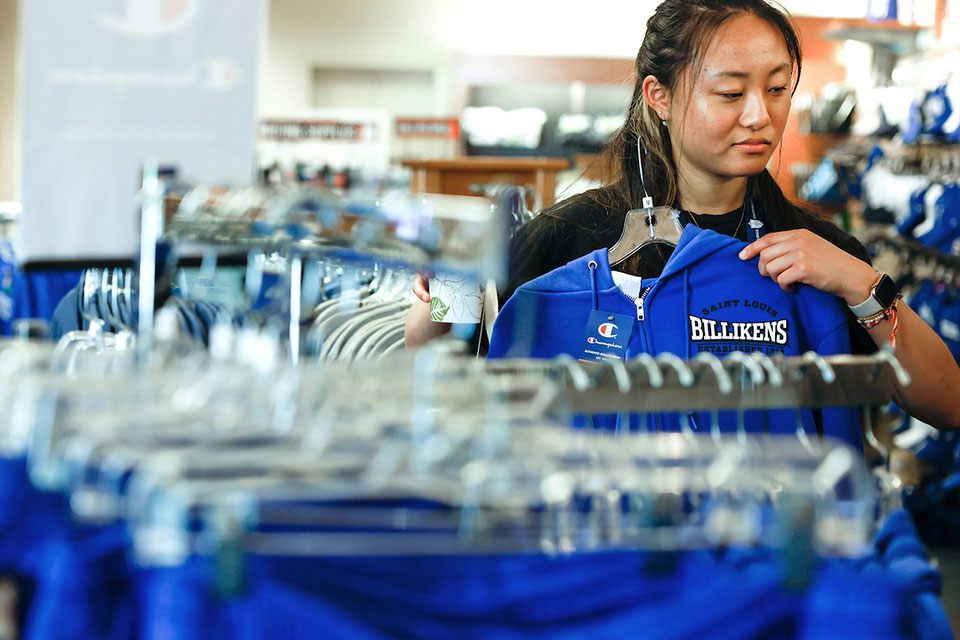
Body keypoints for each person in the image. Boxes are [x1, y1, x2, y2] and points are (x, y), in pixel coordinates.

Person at [405, 0, 960, 430]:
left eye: (776, 89)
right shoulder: (569, 236)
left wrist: (862, 284)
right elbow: (435, 347)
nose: (759, 115)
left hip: (767, 553)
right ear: (660, 97)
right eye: (729, 93)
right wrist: (447, 283)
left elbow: (947, 403)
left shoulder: (817, 252)